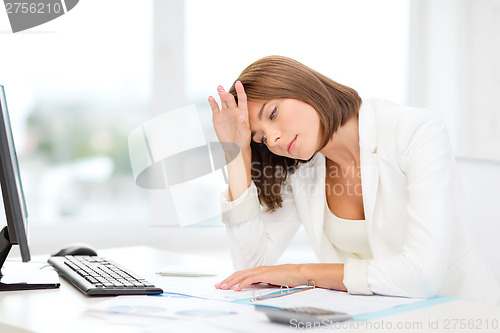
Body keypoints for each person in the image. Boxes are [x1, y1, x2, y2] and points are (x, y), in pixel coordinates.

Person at [207, 55, 500, 305]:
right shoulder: (300, 168)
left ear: (303, 87)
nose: (273, 138)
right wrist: (237, 153)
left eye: (272, 114)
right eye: (261, 138)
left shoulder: (417, 131)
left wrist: (301, 273)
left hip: (463, 314)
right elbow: (251, 272)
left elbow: (421, 277)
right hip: (375, 320)